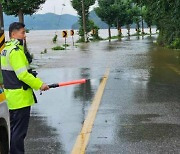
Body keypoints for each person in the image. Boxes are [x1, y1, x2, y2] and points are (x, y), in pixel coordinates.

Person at [1, 22, 49, 154]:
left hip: (11, 97)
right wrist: (40, 85)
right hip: (21, 98)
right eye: (22, 33)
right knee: (19, 133)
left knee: (14, 131)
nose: (25, 36)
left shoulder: (5, 50)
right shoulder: (16, 52)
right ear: (13, 34)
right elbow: (23, 75)